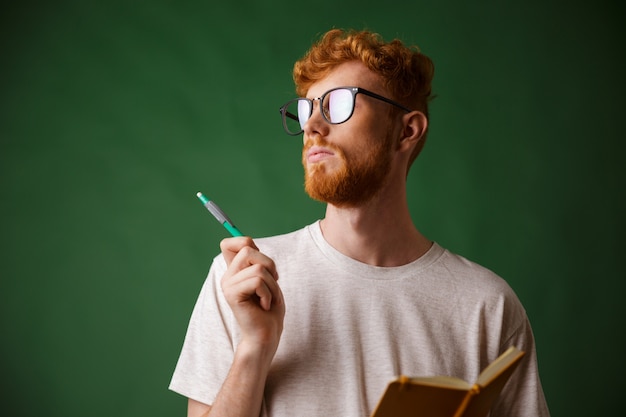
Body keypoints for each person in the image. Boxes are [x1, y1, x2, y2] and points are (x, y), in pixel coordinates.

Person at [169, 29, 550, 417]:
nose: (313, 126)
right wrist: (255, 346)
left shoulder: (488, 305)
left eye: (337, 105)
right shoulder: (242, 281)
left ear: (407, 131)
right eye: (306, 109)